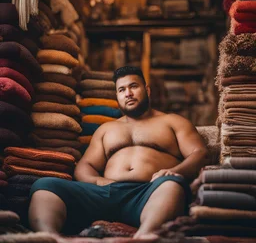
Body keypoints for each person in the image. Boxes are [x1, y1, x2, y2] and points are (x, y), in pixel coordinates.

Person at [29, 66, 209, 238]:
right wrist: (99, 181)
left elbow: (199, 153)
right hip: (104, 193)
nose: (128, 93)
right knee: (46, 185)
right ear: (117, 96)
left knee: (172, 186)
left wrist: (175, 172)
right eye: (121, 90)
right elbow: (86, 165)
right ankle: (49, 237)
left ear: (147, 90)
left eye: (133, 86)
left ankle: (145, 236)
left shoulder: (172, 121)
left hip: (149, 192)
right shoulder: (107, 129)